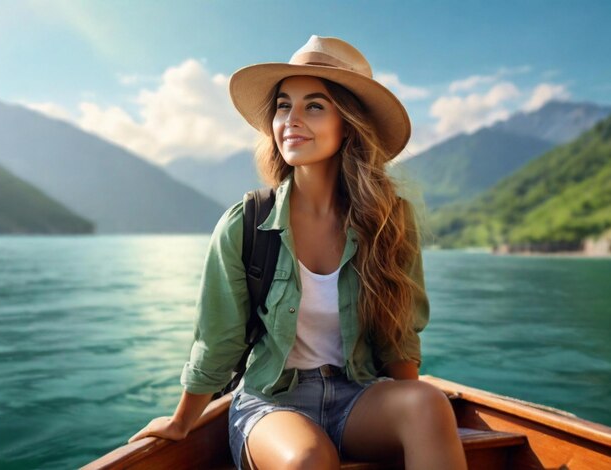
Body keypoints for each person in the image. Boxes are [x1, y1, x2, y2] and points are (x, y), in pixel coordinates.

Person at [129, 35, 467, 470]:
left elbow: (399, 336)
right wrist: (180, 423)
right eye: (284, 105)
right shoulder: (246, 222)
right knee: (308, 458)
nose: (291, 119)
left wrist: (411, 412)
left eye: (314, 106)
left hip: (357, 393)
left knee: (428, 404)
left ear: (348, 124)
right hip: (272, 401)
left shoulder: (389, 221)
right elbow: (218, 341)